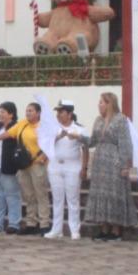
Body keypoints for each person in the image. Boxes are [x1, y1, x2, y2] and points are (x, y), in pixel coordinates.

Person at [81, 92, 137, 241]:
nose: (99, 105)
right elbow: (93, 141)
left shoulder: (120, 119)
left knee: (114, 194)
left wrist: (125, 165)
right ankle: (104, 228)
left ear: (109, 103)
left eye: (101, 102)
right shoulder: (98, 120)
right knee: (101, 194)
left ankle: (116, 230)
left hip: (114, 161)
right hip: (100, 162)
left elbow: (125, 143)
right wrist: (78, 137)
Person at [0, 103, 50, 235]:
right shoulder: (23, 124)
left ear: (38, 113)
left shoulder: (44, 126)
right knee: (28, 195)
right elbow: (8, 134)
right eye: (27, 110)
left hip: (37, 164)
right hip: (24, 165)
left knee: (41, 194)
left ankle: (44, 223)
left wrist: (45, 155)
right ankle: (31, 223)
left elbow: (51, 142)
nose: (28, 113)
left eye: (31, 111)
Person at [46, 100, 87, 240]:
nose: (58, 114)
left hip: (73, 166)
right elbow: (45, 145)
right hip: (55, 165)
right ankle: (56, 229)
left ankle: (74, 229)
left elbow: (85, 148)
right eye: (57, 112)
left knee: (73, 199)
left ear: (69, 114)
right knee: (57, 199)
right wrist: (58, 137)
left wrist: (84, 167)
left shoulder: (79, 129)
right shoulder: (53, 128)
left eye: (61, 112)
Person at [0, 102, 24, 234]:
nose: (0, 114)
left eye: (3, 112)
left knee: (12, 195)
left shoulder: (17, 127)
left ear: (11, 114)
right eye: (0, 111)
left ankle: (14, 223)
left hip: (8, 166)